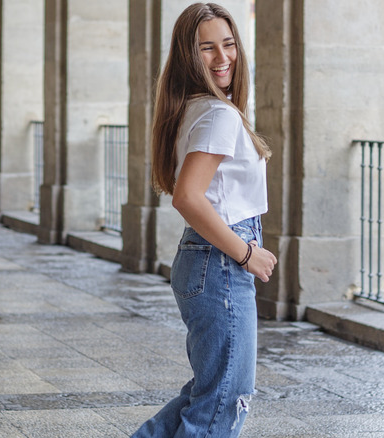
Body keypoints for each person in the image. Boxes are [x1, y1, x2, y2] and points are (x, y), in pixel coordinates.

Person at [131, 3, 277, 437]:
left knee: (209, 392)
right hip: (221, 260)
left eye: (229, 45)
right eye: (206, 49)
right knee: (223, 400)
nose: (222, 58)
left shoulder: (196, 108)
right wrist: (247, 252)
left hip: (204, 259)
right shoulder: (219, 115)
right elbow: (188, 197)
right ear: (187, 56)